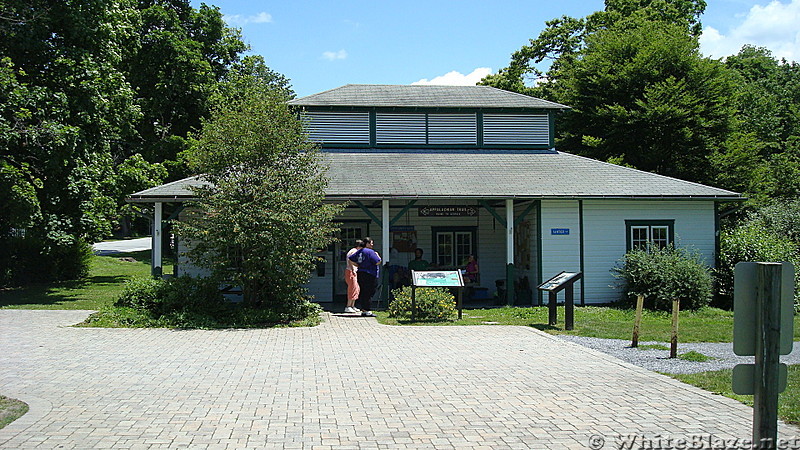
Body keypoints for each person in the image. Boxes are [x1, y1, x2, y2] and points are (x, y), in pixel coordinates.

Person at [348, 237, 381, 317]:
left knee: (363, 291)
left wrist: (358, 265)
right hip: (370, 274)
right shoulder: (370, 252)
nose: (372, 245)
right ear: (367, 243)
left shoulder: (359, 251)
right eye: (371, 243)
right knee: (369, 292)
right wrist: (378, 255)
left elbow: (350, 259)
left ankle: (363, 309)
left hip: (360, 273)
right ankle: (367, 310)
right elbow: (378, 262)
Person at [343, 239, 363, 313]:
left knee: (356, 288)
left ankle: (352, 305)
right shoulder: (353, 251)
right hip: (351, 271)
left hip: (354, 271)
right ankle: (348, 306)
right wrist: (353, 269)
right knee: (352, 288)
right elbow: (350, 260)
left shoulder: (355, 251)